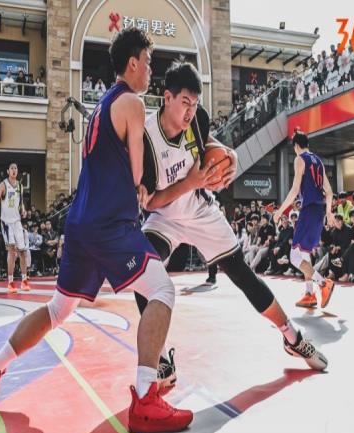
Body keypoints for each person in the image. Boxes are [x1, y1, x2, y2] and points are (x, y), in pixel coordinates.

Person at [0, 27, 192, 433]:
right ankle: (146, 397)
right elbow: (138, 174)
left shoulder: (101, 105)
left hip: (81, 223)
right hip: (109, 223)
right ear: (133, 63)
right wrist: (155, 185)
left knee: (58, 310)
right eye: (148, 62)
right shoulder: (132, 103)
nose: (151, 70)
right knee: (162, 290)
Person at [135, 62, 327, 384]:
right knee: (144, 271)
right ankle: (161, 357)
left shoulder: (197, 119)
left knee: (242, 273)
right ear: (167, 98)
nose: (190, 111)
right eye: (184, 103)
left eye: (195, 104)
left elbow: (209, 143)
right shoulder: (146, 138)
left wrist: (230, 154)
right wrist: (190, 182)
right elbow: (151, 202)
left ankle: (292, 336)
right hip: (165, 214)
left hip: (199, 209)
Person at [274, 131, 335, 308]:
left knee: (294, 256)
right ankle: (309, 294)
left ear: (296, 146)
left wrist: (279, 212)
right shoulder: (318, 161)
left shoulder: (300, 159)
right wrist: (329, 213)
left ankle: (323, 283)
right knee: (304, 253)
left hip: (309, 210)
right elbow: (329, 192)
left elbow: (294, 190)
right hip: (319, 211)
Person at [0, 163, 30, 293]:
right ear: (8, 171)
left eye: (15, 168)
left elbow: (21, 203)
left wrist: (23, 210)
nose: (14, 170)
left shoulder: (20, 186)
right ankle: (10, 282)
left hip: (17, 222)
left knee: (23, 251)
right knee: (12, 251)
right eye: (12, 168)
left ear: (17, 171)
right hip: (6, 222)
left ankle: (24, 280)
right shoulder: (3, 185)